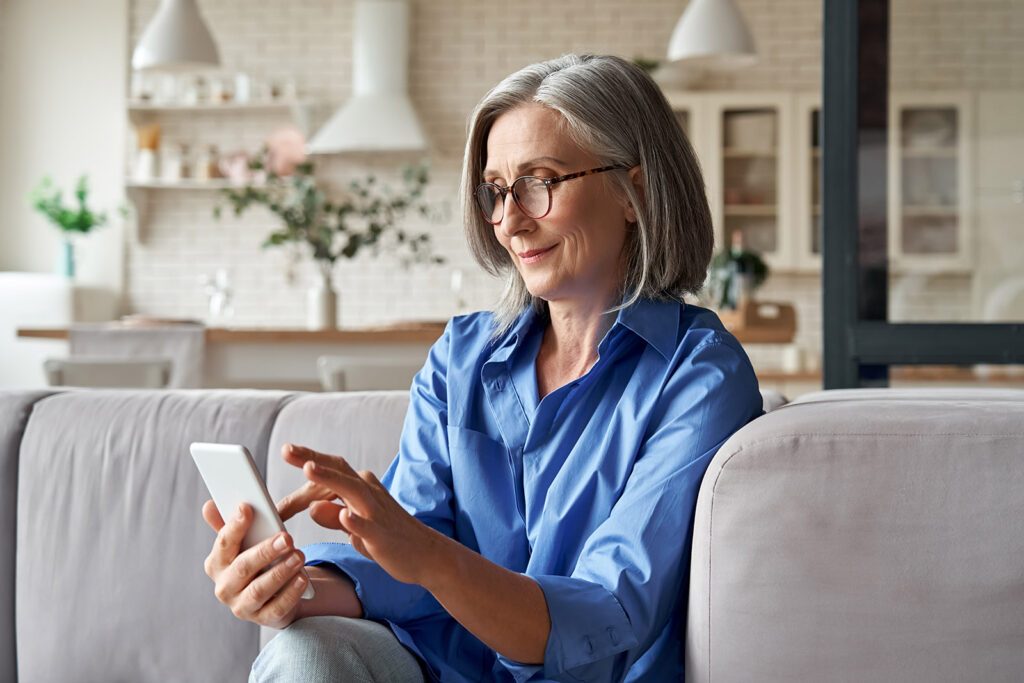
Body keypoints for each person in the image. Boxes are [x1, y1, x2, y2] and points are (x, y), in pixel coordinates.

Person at [201, 53, 763, 682]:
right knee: (303, 650)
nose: (508, 219)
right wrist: (292, 584)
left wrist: (426, 556)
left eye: (539, 181)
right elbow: (409, 567)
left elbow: (609, 611)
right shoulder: (461, 357)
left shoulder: (699, 376)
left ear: (633, 192)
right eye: (496, 190)